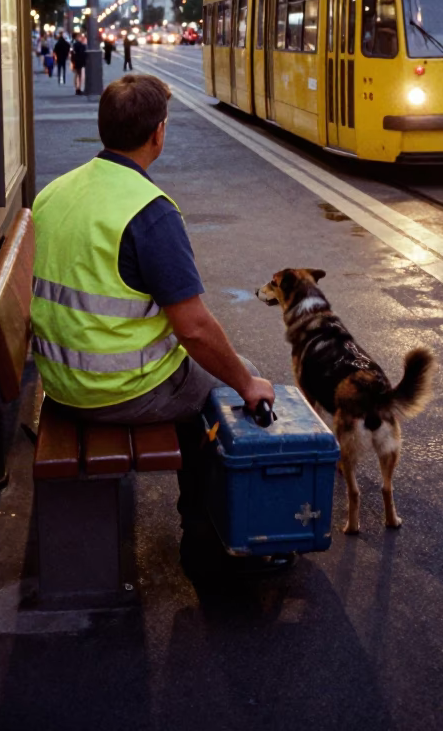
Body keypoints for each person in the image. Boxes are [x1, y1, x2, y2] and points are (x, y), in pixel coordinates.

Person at [30, 74, 279, 578]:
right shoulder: (150, 212)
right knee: (234, 387)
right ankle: (205, 539)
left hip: (59, 380)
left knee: (211, 380)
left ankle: (206, 520)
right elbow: (194, 329)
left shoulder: (55, 191)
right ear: (158, 134)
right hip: (117, 388)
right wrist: (247, 383)